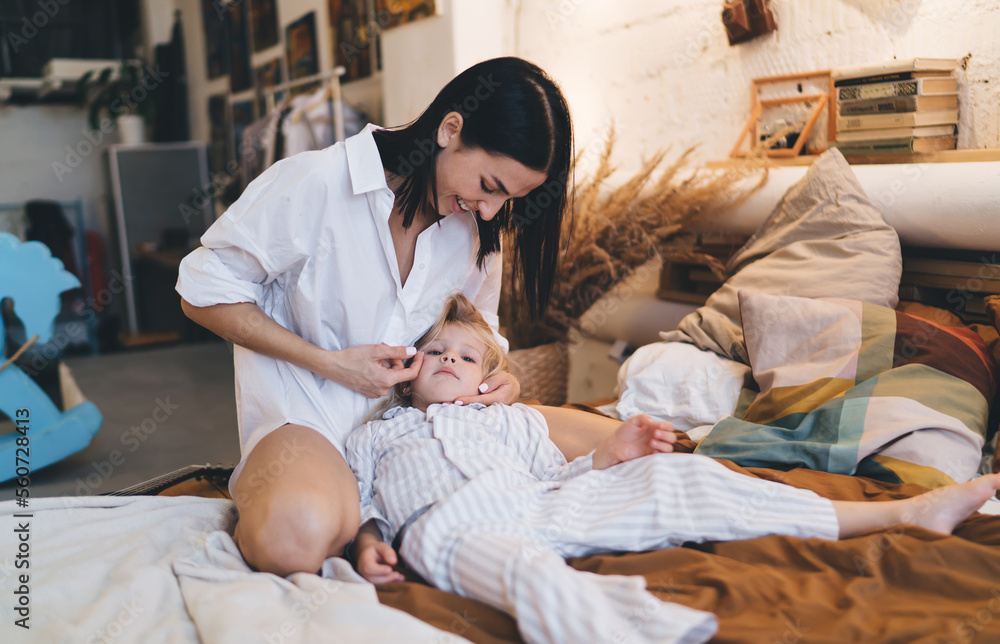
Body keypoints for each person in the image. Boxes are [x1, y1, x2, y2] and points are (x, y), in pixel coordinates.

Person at [346, 294, 1000, 644]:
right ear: (408, 372)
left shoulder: (512, 420)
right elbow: (362, 499)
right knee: (531, 575)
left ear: (489, 378)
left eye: (467, 356)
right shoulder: (379, 433)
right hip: (449, 526)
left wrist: (611, 456)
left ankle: (905, 513)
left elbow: (560, 477)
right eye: (437, 351)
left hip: (535, 503)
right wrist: (370, 541)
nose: (450, 360)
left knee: (680, 478)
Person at [176, 56, 573, 576]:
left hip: (426, 429)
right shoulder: (318, 182)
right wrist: (329, 363)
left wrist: (502, 380)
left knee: (631, 444)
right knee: (292, 542)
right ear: (450, 129)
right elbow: (202, 293)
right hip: (309, 424)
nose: (491, 210)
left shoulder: (476, 232)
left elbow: (483, 333)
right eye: (490, 185)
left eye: (511, 199)